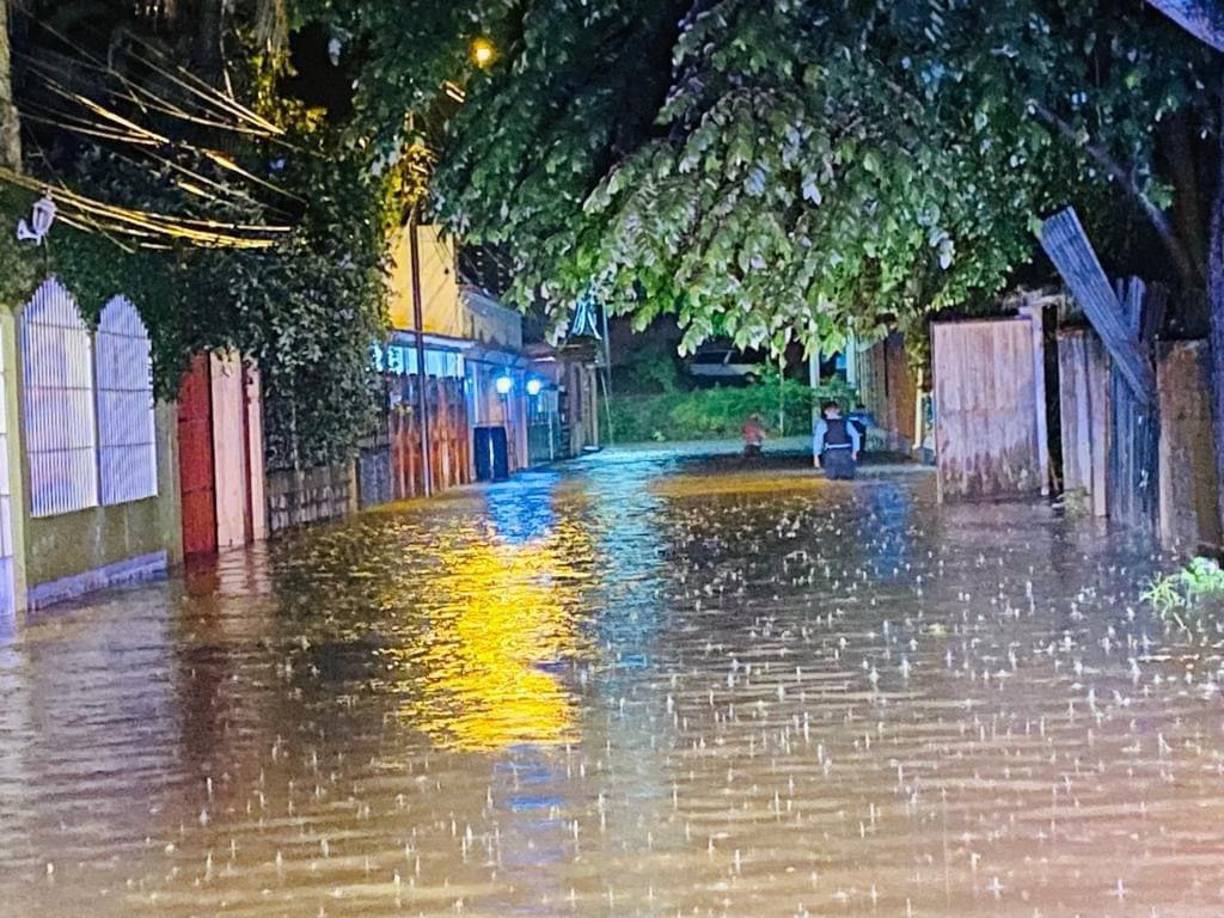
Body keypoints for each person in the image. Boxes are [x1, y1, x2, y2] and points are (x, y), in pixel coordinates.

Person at [814, 401, 860, 480]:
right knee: (846, 479)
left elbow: (818, 440)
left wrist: (816, 456)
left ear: (838, 410)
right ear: (825, 412)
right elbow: (855, 436)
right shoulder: (845, 423)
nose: (832, 412)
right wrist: (854, 452)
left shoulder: (823, 424)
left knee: (834, 479)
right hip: (841, 454)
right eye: (829, 410)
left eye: (833, 410)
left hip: (835, 454)